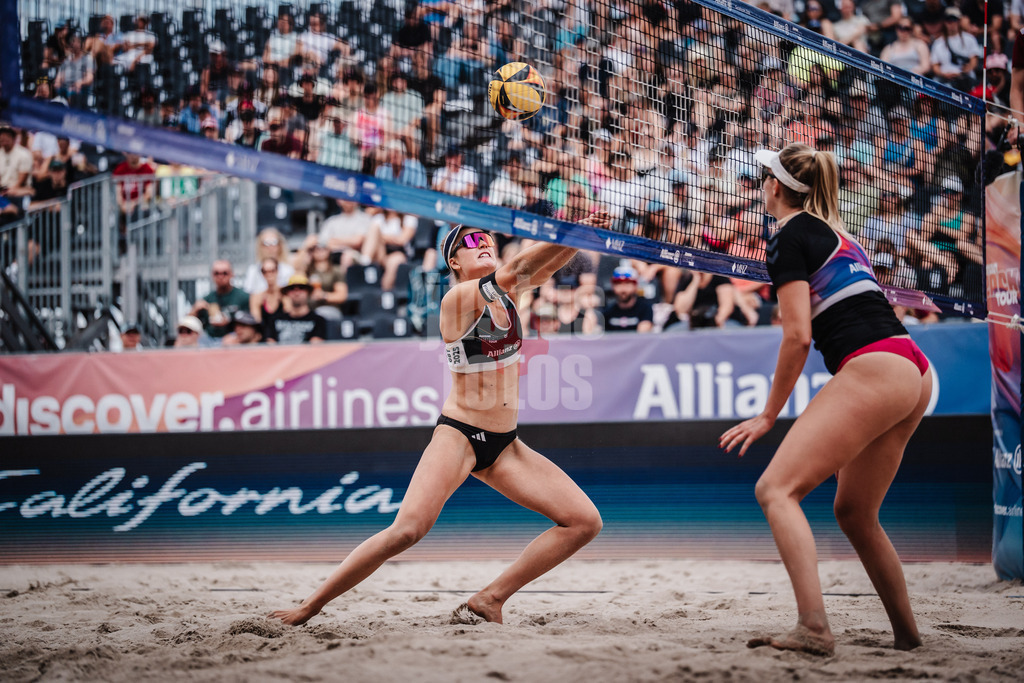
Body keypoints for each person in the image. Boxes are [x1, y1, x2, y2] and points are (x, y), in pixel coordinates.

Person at [269, 214, 610, 627]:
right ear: (454, 263)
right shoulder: (457, 299)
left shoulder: (508, 296)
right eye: (472, 241)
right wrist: (571, 230)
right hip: (460, 434)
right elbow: (520, 267)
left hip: (505, 445)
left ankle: (490, 599)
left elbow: (544, 266)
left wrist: (585, 235)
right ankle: (310, 606)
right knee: (406, 531)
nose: (483, 241)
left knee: (584, 522)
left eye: (487, 237)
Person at [720, 143, 931, 656]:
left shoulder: (787, 236)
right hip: (914, 369)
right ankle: (907, 635)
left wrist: (769, 414)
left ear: (775, 186)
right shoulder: (842, 236)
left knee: (776, 489)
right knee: (856, 513)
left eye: (764, 176)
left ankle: (813, 627)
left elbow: (797, 336)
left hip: (876, 365)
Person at [189, 260, 250, 340]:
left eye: (224, 273)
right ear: (212, 276)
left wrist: (230, 322)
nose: (220, 277)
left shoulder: (244, 297)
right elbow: (187, 325)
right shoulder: (207, 299)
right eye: (216, 273)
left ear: (232, 274)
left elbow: (253, 325)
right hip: (209, 340)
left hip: (235, 340)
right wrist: (195, 310)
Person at [263, 275, 327, 344]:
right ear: (287, 292)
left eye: (301, 288)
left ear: (308, 292)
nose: (297, 293)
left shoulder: (318, 320)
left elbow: (315, 347)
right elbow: (270, 346)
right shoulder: (274, 319)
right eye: (292, 289)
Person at [602, 267, 654, 333]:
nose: (623, 289)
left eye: (627, 283)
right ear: (613, 286)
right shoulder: (608, 311)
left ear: (635, 286)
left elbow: (642, 337)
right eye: (618, 284)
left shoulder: (645, 308)